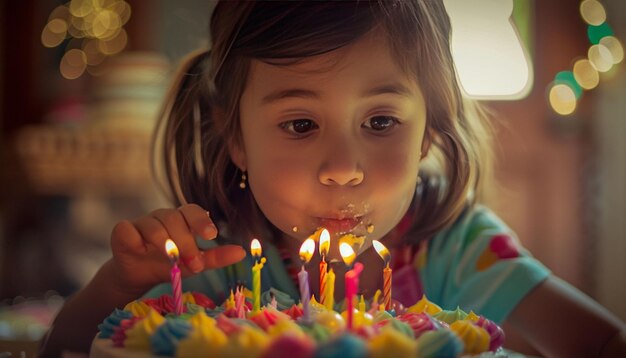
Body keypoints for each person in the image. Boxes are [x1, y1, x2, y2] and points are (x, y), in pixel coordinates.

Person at [41, 1, 625, 356]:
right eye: (300, 123)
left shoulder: (460, 246)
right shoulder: (215, 259)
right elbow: (62, 348)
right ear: (236, 136)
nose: (343, 167)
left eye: (380, 121)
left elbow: (599, 343)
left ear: (428, 132)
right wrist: (116, 286)